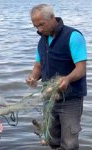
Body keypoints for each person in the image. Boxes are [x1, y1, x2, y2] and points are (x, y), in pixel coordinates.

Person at [26, 4, 87, 150]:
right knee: (52, 139)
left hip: (71, 99)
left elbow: (81, 69)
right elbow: (38, 67)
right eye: (36, 26)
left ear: (52, 18)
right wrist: (33, 77)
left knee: (70, 143)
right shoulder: (42, 40)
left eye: (41, 25)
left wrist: (67, 79)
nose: (39, 30)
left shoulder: (73, 36)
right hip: (49, 98)